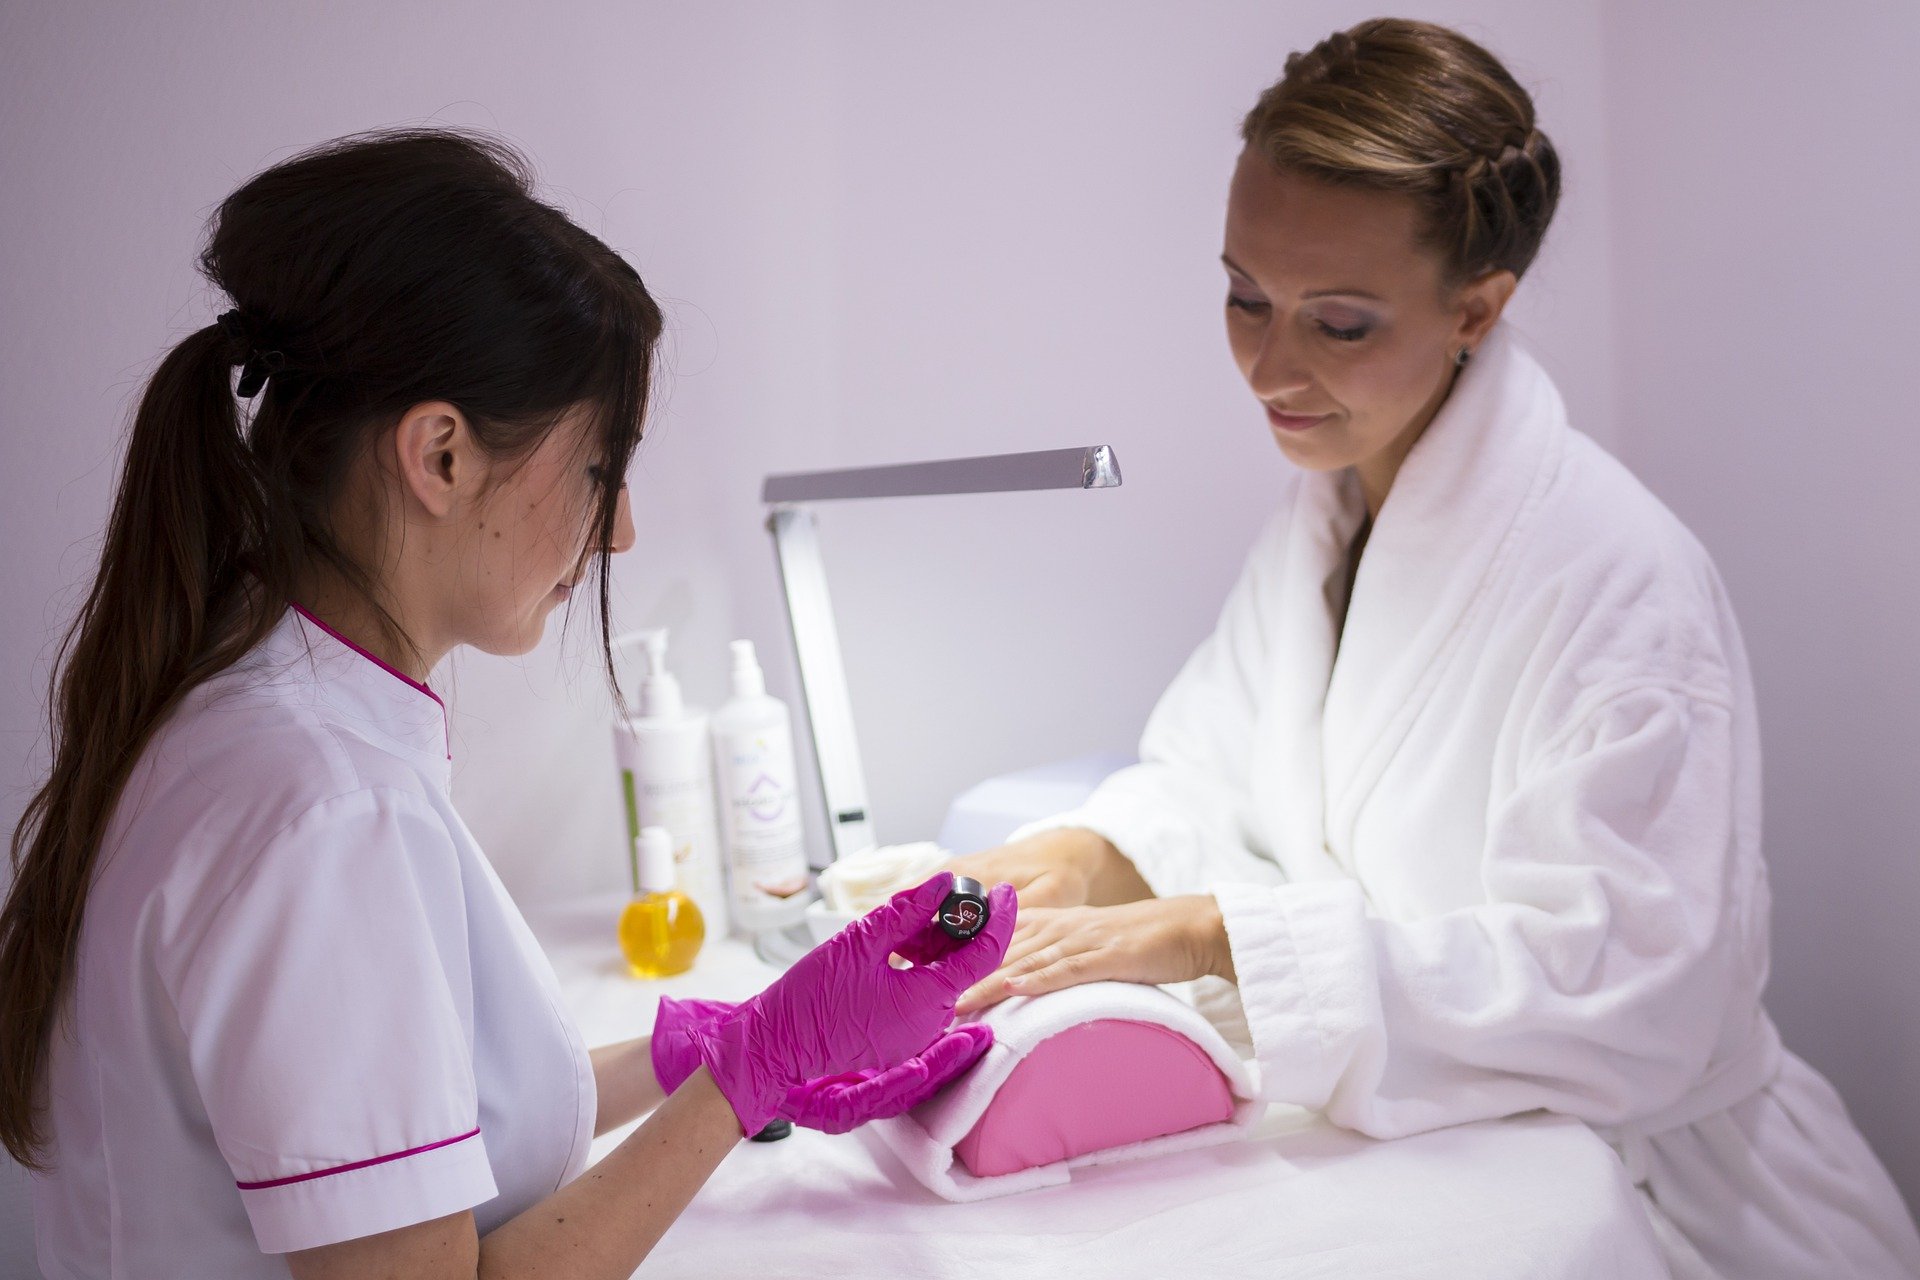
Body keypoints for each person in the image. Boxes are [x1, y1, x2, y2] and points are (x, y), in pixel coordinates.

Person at [945, 19, 1920, 1278]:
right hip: (1447, 1161)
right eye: (1245, 296)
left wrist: (1214, 937)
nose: (1270, 365)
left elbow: (1633, 995)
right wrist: (1084, 857)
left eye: (1340, 323)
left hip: (1662, 1202)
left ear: (1478, 307)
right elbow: (1221, 776)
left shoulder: (1622, 585)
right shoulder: (1329, 514)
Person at [0, 128, 1016, 1279]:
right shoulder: (327, 810)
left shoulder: (256, 705)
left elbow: (400, 1128)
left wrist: (697, 1051)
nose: (620, 528)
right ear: (439, 455)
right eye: (601, 468)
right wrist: (753, 1073)